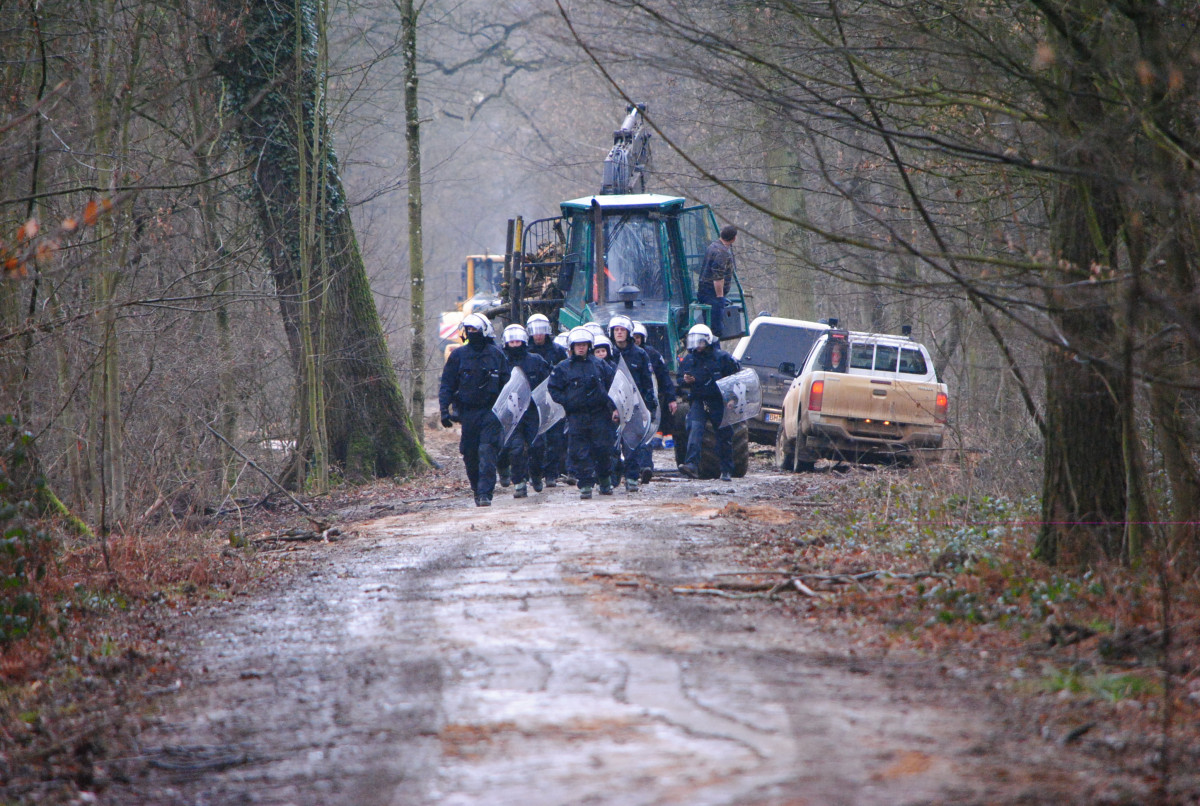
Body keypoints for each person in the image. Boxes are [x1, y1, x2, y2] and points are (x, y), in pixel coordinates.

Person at [439, 313, 510, 506]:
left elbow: (508, 384)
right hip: (467, 414)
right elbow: (447, 384)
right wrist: (444, 410)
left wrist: (509, 412)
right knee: (470, 454)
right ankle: (476, 489)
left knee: (487, 452)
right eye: (469, 330)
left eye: (475, 330)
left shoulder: (496, 354)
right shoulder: (458, 356)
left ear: (484, 331)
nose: (472, 333)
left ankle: (486, 493)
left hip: (491, 413)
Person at [548, 327, 618, 499]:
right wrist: (567, 401)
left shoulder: (601, 365)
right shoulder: (563, 368)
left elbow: (614, 387)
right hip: (576, 415)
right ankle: (585, 484)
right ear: (571, 347)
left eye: (584, 345)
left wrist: (615, 407)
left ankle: (604, 480)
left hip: (600, 414)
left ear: (589, 346)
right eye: (577, 345)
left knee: (602, 448)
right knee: (580, 451)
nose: (581, 348)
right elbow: (553, 388)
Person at [677, 322, 741, 482]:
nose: (697, 345)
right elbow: (680, 380)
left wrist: (732, 398)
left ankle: (726, 469)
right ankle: (691, 464)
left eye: (700, 341)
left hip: (719, 401)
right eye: (694, 341)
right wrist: (686, 381)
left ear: (707, 340)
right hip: (698, 399)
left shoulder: (722, 358)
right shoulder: (689, 359)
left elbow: (735, 379)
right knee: (695, 428)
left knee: (724, 434)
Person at [500, 324, 552, 498]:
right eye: (511, 342)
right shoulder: (502, 362)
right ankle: (519, 483)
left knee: (537, 446)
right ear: (507, 343)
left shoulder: (535, 360)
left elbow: (547, 383)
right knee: (514, 450)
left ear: (523, 341)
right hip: (511, 413)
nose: (515, 345)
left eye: (517, 341)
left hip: (532, 412)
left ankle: (536, 475)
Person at [608, 315, 656, 492]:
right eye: (616, 330)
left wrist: (649, 405)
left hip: (634, 407)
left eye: (622, 330)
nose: (619, 333)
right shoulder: (608, 353)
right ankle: (612, 478)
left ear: (629, 333)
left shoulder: (640, 354)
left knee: (632, 445)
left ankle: (632, 478)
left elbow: (647, 382)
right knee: (611, 445)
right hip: (612, 407)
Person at [632, 320, 676, 484]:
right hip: (626, 402)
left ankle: (645, 467)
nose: (635, 339)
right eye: (633, 336)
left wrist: (671, 398)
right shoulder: (618, 353)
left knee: (646, 434)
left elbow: (664, 377)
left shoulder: (652, 354)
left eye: (638, 337)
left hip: (646, 401)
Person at [527, 313, 568, 487]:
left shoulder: (558, 351)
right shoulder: (526, 351)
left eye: (541, 331)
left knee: (554, 439)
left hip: (552, 402)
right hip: (530, 404)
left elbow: (566, 371)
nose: (538, 335)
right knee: (534, 441)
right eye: (535, 331)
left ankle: (552, 474)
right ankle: (535, 473)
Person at [697, 225, 737, 339]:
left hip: (704, 292)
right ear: (734, 238)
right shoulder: (722, 253)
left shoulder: (712, 246)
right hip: (713, 295)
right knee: (715, 331)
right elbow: (718, 278)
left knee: (710, 328)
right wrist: (720, 298)